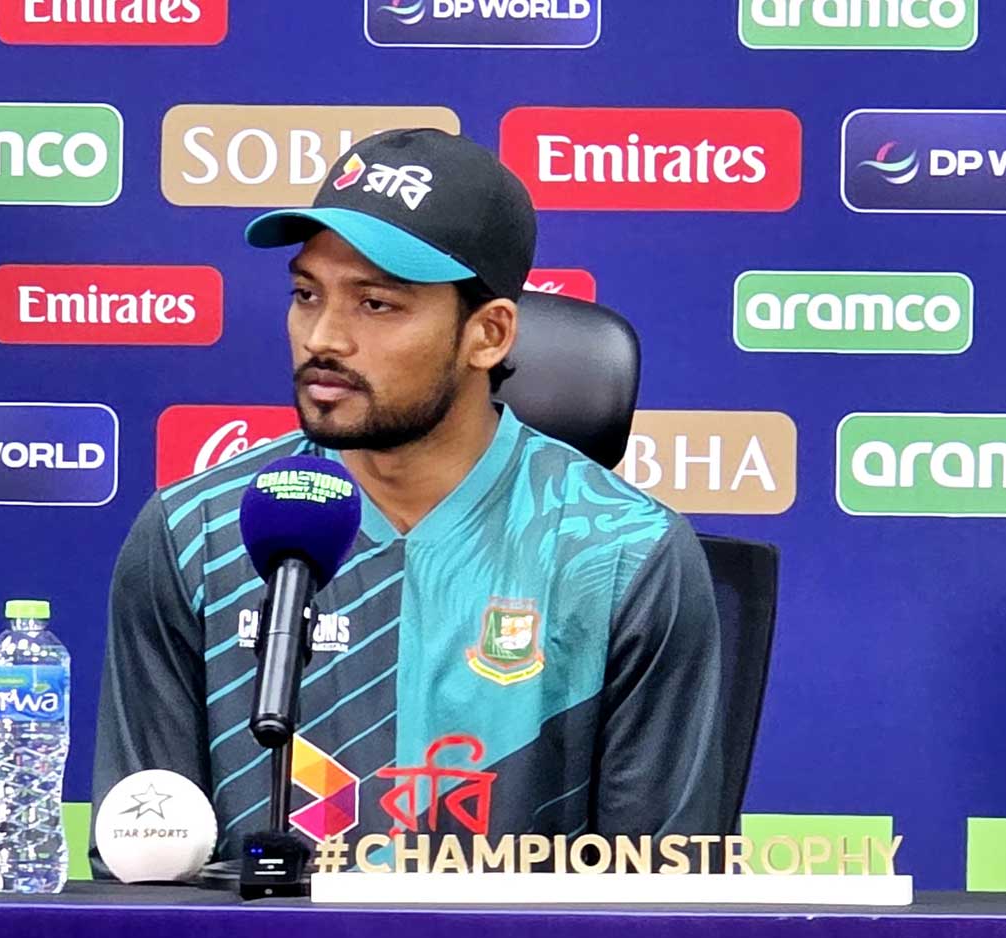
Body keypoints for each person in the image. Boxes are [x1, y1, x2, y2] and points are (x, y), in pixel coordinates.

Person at [92, 128, 724, 870]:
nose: (323, 337)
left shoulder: (623, 553)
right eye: (306, 295)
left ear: (487, 335)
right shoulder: (191, 532)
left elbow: (664, 895)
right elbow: (141, 878)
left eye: (377, 305)